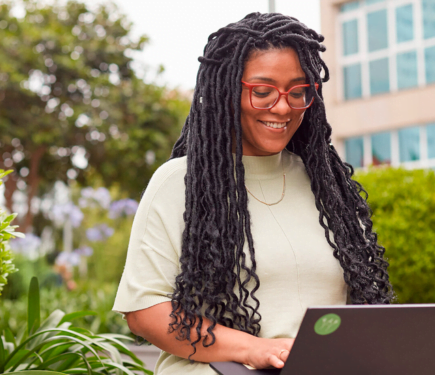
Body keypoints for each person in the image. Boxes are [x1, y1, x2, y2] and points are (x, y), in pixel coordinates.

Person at [113, 12, 393, 374]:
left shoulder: (329, 189)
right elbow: (145, 312)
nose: (282, 107)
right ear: (227, 91)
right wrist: (254, 349)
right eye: (262, 92)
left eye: (298, 92)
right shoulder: (177, 183)